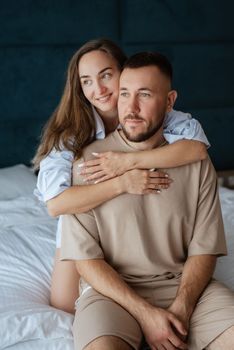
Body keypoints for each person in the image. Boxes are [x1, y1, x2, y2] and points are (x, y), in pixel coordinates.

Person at [60, 51, 234, 350]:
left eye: (144, 94)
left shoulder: (195, 160)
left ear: (169, 101)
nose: (131, 107)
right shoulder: (87, 163)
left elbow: (204, 249)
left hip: (186, 288)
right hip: (111, 293)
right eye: (125, 93)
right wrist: (146, 315)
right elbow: (86, 261)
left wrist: (182, 307)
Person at [33, 38, 209, 314]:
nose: (98, 89)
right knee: (65, 306)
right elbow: (56, 204)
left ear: (124, 73)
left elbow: (197, 149)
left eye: (106, 76)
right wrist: (123, 182)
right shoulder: (71, 133)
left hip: (138, 221)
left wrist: (127, 161)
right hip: (86, 221)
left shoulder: (161, 113)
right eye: (87, 81)